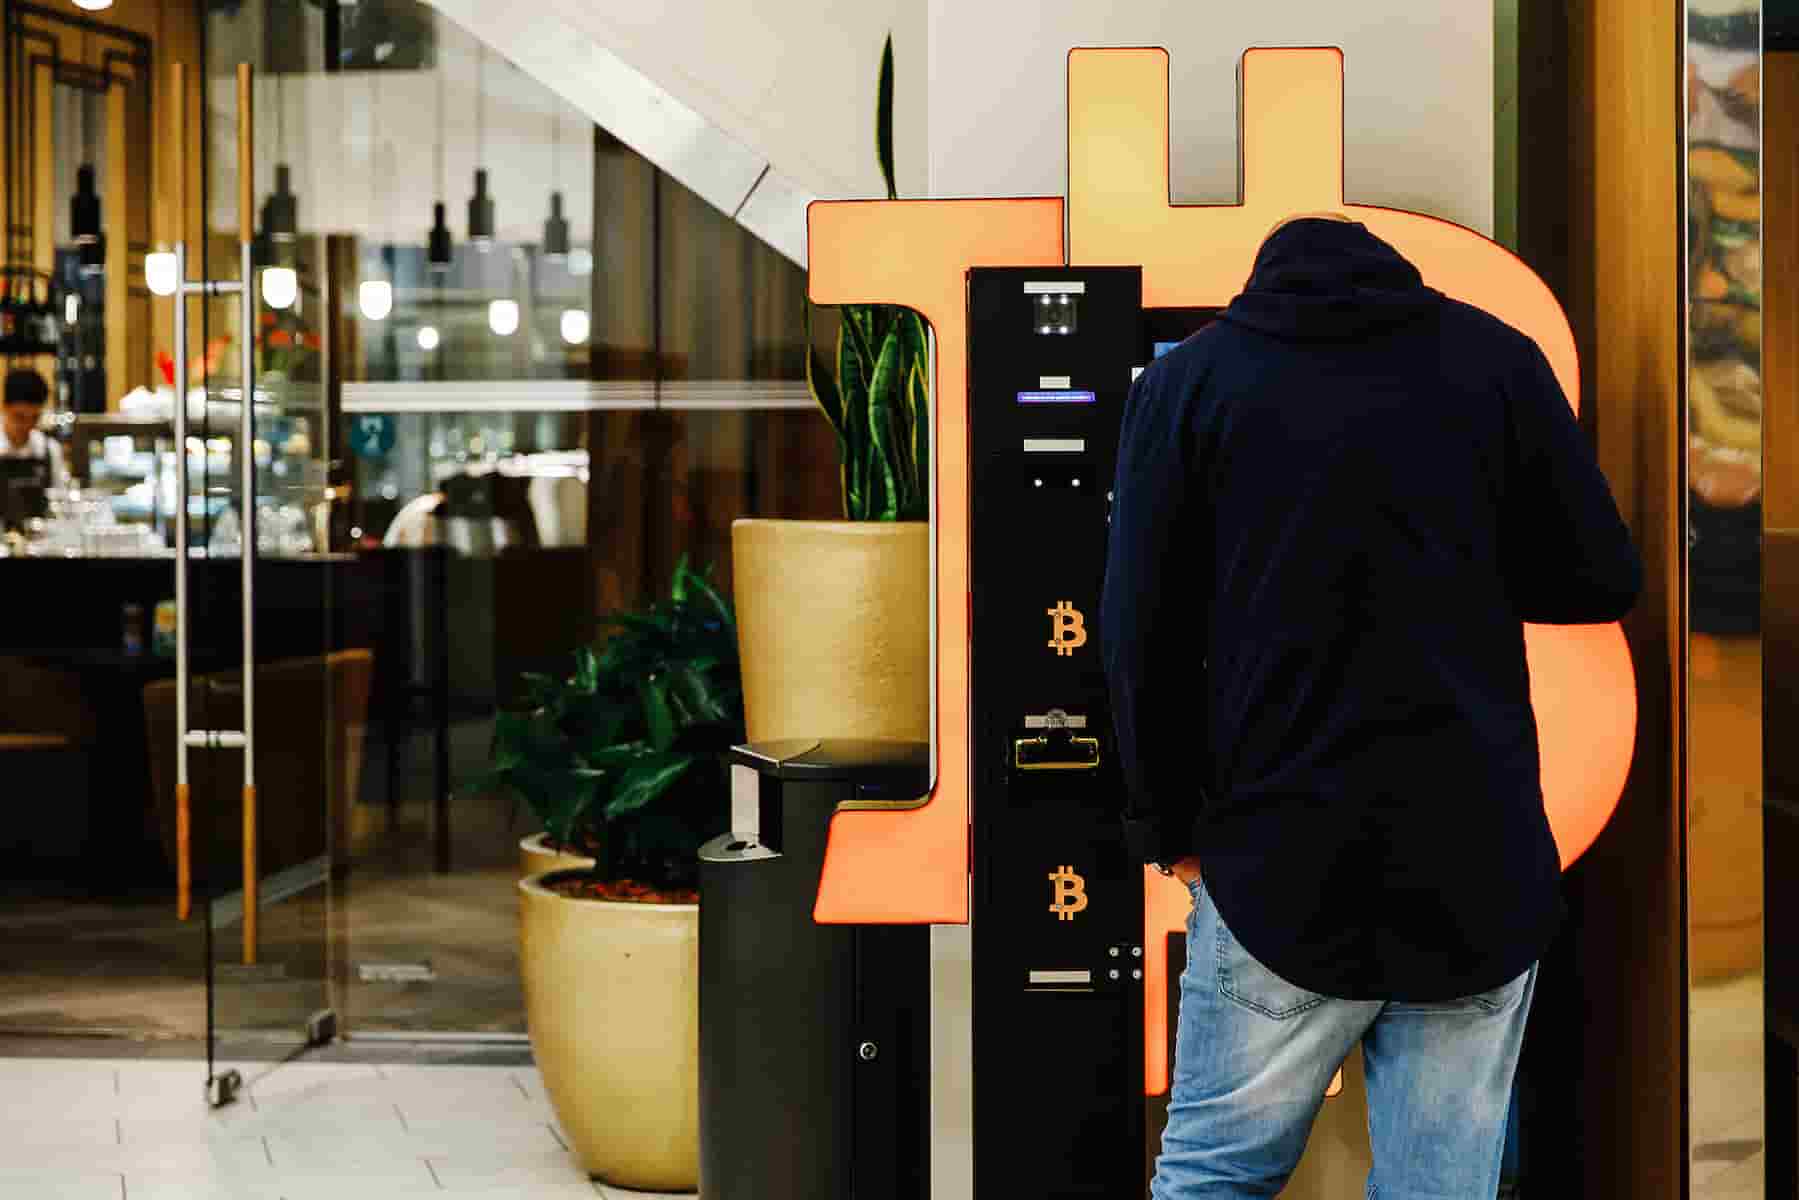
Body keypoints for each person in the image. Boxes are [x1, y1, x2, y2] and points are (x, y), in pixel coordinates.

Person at [1101, 213, 1641, 1198]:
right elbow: (1598, 577)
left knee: (1212, 1176)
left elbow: (1140, 633)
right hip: (1471, 866)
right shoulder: (1494, 362)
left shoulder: (1190, 383)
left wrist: (1165, 831)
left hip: (1275, 860)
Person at [2, 368, 67, 488]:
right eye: (20, 417)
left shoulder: (50, 450)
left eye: (34, 418)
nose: (27, 425)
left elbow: (59, 494)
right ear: (5, 407)